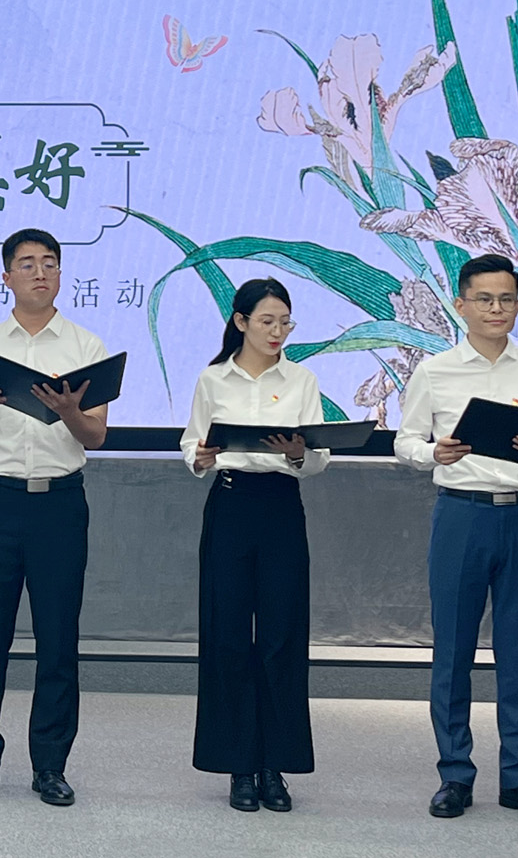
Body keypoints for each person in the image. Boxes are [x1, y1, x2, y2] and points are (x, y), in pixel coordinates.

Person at [395, 253, 518, 822]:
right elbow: (405, 442)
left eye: (506, 299)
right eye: (484, 299)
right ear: (461, 304)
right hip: (462, 515)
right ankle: (455, 774)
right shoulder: (436, 370)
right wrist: (434, 452)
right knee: (452, 650)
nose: (497, 309)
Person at [0, 228, 109, 807]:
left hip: (59, 504)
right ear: (7, 277)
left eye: (50, 263)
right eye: (28, 264)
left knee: (58, 639)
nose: (40, 273)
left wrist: (69, 411)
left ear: (61, 274)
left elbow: (96, 435)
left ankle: (50, 766)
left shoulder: (86, 346)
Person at [179, 277, 329, 813]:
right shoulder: (213, 378)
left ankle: (274, 766)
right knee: (227, 634)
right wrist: (199, 456)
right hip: (230, 502)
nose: (277, 331)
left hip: (280, 506)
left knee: (281, 635)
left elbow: (318, 457)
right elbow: (192, 444)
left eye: (285, 322)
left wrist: (298, 454)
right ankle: (239, 766)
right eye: (267, 321)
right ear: (241, 322)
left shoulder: (302, 379)